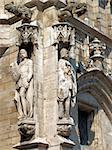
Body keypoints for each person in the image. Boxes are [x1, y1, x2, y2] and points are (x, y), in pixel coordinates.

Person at [10, 49, 33, 119]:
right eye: (21, 53)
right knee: (20, 96)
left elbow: (30, 71)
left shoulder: (29, 61)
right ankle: (23, 113)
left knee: (22, 94)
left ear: (26, 54)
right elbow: (17, 74)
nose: (22, 54)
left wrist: (28, 79)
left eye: (23, 53)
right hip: (20, 81)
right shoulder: (20, 64)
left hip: (25, 80)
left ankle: (26, 113)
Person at [58, 48, 76, 120]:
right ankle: (61, 113)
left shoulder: (68, 63)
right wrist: (64, 74)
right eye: (66, 53)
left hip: (68, 83)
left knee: (68, 98)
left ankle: (67, 114)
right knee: (62, 98)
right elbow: (59, 71)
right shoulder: (61, 62)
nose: (67, 54)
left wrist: (70, 72)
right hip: (63, 83)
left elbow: (72, 73)